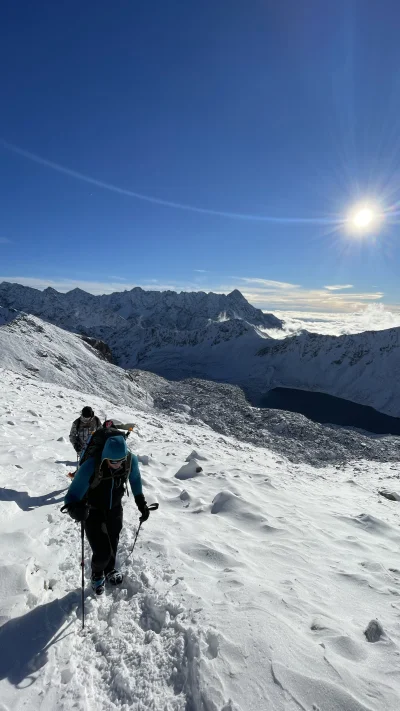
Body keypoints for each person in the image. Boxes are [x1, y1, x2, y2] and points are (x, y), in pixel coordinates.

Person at [63, 428, 150, 595]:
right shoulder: (92, 465)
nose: (117, 465)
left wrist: (142, 504)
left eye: (120, 461)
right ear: (105, 457)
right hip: (92, 510)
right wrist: (76, 510)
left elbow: (135, 480)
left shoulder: (130, 460)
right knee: (102, 551)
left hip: (115, 508)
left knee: (113, 540)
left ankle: (110, 569)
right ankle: (96, 575)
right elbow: (72, 496)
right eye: (112, 461)